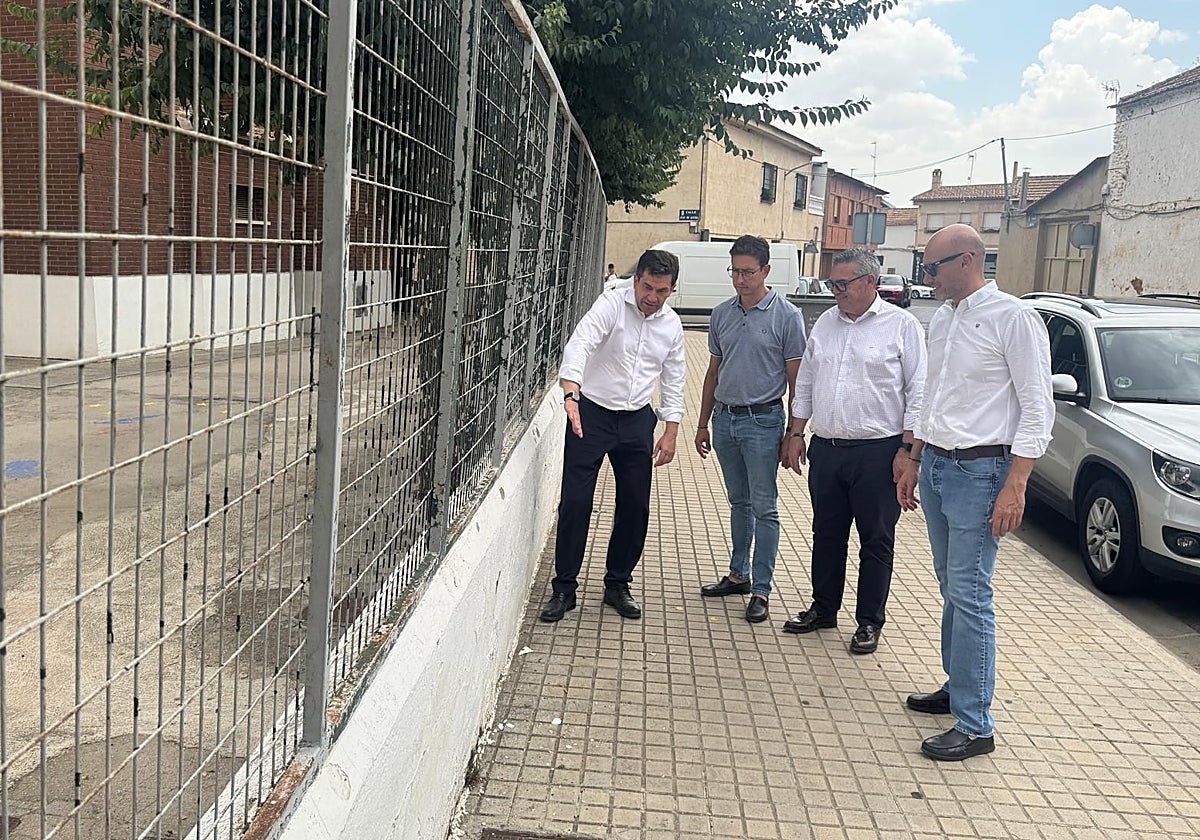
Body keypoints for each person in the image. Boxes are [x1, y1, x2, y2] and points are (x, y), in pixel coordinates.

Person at [896, 224, 1053, 761]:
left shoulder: (1014, 319)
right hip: (939, 465)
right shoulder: (942, 317)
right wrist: (914, 458)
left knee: (971, 592)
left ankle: (975, 721)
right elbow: (930, 394)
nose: (926, 276)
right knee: (950, 585)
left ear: (966, 262)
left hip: (983, 472)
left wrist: (1017, 482)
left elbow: (1037, 407)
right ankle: (958, 686)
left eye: (932, 267)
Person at [783, 248, 927, 655]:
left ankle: (868, 621)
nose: (836, 292)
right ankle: (823, 608)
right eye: (832, 284)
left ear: (869, 282)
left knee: (876, 539)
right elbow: (807, 380)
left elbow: (919, 390)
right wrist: (796, 432)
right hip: (827, 449)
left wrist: (907, 448)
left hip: (879, 452)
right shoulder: (826, 323)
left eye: (842, 284)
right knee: (826, 533)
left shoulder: (902, 326)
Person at [540, 249, 686, 623]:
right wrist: (571, 393)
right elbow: (581, 343)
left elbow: (674, 378)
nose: (652, 297)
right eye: (648, 287)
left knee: (635, 506)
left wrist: (671, 431)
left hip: (637, 420)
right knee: (576, 502)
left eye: (662, 291)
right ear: (636, 279)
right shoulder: (610, 304)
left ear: (672, 290)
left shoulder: (671, 325)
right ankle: (564, 588)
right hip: (590, 415)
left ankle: (617, 584)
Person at [696, 235, 806, 623]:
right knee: (738, 502)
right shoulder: (722, 313)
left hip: (763, 422)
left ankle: (761, 589)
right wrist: (702, 423)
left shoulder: (787, 317)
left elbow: (798, 382)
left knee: (765, 507)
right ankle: (737, 574)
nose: (740, 280)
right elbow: (712, 371)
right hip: (725, 420)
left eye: (748, 272)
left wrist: (795, 433)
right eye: (735, 271)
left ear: (766, 271)